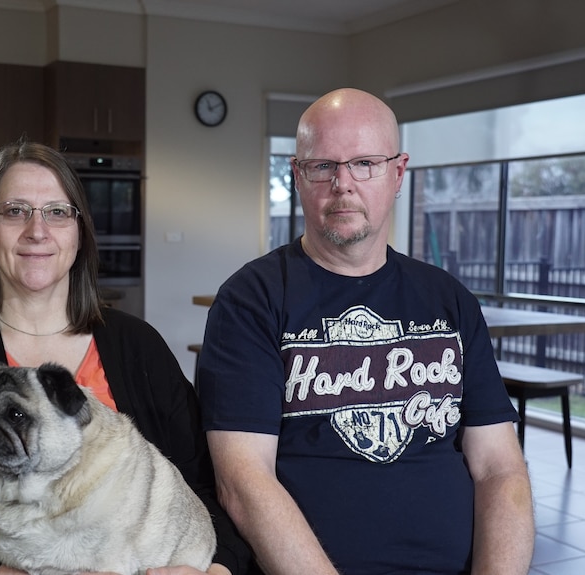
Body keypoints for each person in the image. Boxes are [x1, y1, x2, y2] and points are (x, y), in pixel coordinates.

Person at [0, 141, 250, 575]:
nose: (37, 230)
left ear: (79, 232)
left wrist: (219, 569)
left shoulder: (138, 345)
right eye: (14, 211)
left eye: (57, 212)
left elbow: (205, 485)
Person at [197, 88, 534, 575]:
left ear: (398, 173)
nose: (343, 183)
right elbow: (244, 482)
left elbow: (500, 469)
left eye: (365, 163)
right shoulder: (251, 300)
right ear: (297, 175)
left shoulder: (449, 299)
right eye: (322, 166)